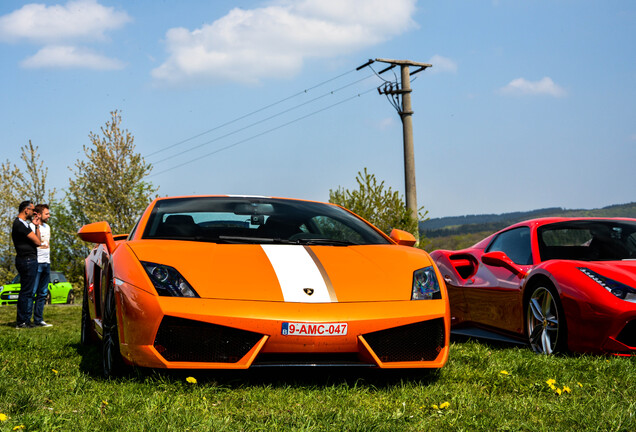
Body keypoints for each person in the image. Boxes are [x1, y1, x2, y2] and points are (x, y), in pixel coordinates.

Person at [12, 200, 41, 328]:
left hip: (29, 259)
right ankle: (22, 321)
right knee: (26, 292)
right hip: (27, 260)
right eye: (32, 210)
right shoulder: (19, 224)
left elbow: (38, 240)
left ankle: (26, 320)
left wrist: (37, 226)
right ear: (26, 210)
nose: (34, 212)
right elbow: (38, 242)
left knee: (28, 292)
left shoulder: (25, 224)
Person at [27, 204, 53, 327]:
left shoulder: (47, 227)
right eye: (46, 213)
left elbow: (46, 244)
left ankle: (38, 319)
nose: (49, 215)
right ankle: (27, 320)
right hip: (36, 262)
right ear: (39, 214)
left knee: (42, 293)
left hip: (46, 263)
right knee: (32, 292)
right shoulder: (31, 226)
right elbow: (34, 244)